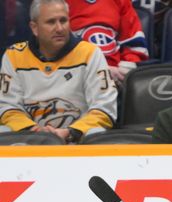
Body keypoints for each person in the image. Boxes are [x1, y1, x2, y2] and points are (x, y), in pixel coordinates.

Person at [0, 0, 117, 143]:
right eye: (51, 22)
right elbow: (7, 107)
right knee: (3, 131)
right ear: (34, 28)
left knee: (96, 132)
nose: (60, 28)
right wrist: (35, 132)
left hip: (77, 139)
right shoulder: (13, 55)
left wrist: (70, 132)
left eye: (63, 20)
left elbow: (104, 107)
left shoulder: (90, 53)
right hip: (28, 140)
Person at [67, 0, 149, 84]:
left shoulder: (122, 1)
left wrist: (124, 71)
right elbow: (56, 50)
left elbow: (134, 45)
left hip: (116, 77)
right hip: (76, 76)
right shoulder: (60, 3)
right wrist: (98, 72)